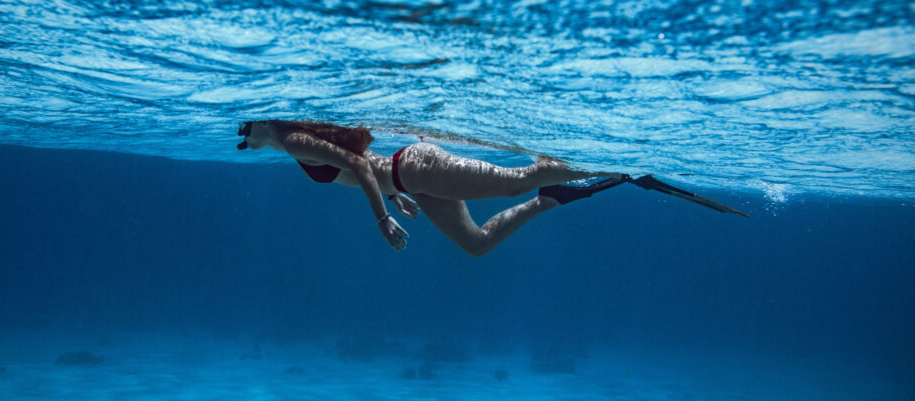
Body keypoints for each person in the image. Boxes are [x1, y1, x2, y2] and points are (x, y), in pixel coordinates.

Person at [237, 120, 745, 257]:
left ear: (263, 120)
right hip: (410, 181)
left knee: (516, 180)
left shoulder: (296, 139)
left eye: (245, 130)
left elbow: (357, 166)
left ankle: (620, 164)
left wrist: (382, 215)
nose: (242, 139)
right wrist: (393, 196)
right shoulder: (286, 144)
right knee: (477, 245)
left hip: (416, 166)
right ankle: (554, 197)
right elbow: (362, 167)